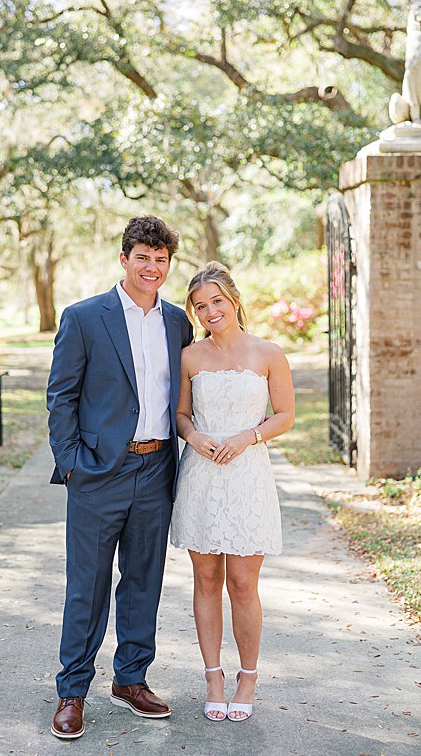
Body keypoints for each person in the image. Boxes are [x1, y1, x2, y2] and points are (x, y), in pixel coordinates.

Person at [46, 215, 194, 740]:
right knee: (86, 586)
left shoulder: (178, 322)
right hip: (98, 472)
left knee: (143, 580)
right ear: (124, 259)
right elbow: (61, 394)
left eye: (161, 260)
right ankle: (72, 690)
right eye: (143, 258)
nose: (152, 268)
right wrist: (71, 463)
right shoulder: (86, 317)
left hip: (157, 469)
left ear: (168, 265)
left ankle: (131, 679)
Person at [168, 262, 294, 723]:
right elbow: (181, 416)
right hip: (201, 476)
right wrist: (193, 436)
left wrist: (248, 436)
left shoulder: (268, 353)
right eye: (201, 306)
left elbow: (284, 415)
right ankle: (213, 676)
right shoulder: (190, 357)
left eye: (216, 301)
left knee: (243, 583)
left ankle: (248, 677)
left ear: (233, 300)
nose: (210, 311)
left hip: (247, 477)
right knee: (205, 580)